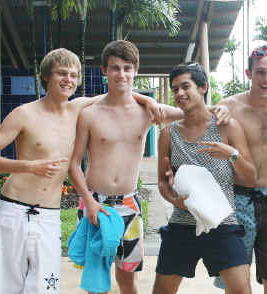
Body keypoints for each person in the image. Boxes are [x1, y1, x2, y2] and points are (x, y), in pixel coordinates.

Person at [0, 48, 161, 294]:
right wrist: (29, 165)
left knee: (46, 285)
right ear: (46, 77)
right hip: (15, 208)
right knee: (8, 285)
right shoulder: (24, 113)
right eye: (61, 73)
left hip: (50, 213)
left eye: (73, 75)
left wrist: (149, 100)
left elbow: (120, 93)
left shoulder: (79, 109)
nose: (68, 80)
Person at [68, 40, 229, 294]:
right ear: (104, 71)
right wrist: (88, 201)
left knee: (127, 277)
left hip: (129, 205)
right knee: (96, 279)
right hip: (95, 204)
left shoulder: (149, 113)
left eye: (127, 68)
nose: (121, 74)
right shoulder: (90, 113)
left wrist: (219, 109)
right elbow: (74, 163)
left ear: (135, 71)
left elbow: (192, 112)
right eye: (115, 68)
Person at [152, 62, 256, 294]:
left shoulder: (227, 127)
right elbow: (162, 180)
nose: (179, 93)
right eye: (175, 89)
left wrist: (232, 154)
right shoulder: (169, 134)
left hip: (222, 222)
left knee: (241, 290)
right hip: (182, 222)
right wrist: (172, 198)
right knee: (162, 291)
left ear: (203, 87)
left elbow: (250, 178)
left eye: (185, 86)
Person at [213, 45, 267, 294]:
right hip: (237, 198)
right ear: (248, 73)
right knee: (237, 281)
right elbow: (197, 126)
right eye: (260, 72)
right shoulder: (229, 107)